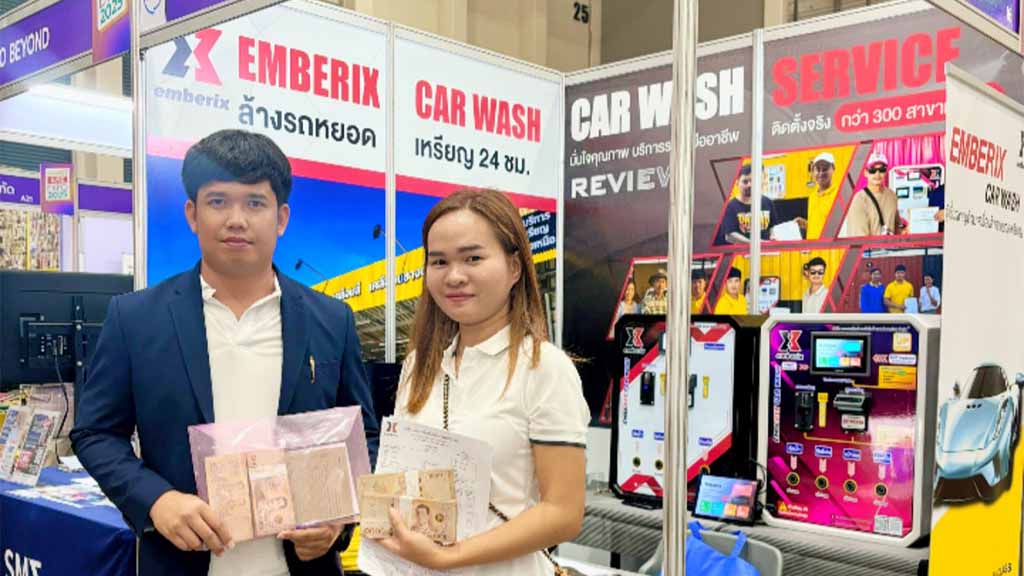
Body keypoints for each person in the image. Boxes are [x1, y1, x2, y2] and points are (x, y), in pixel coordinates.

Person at [70, 130, 379, 576]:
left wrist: (337, 522)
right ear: (192, 214)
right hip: (180, 562)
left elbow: (363, 435)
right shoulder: (135, 318)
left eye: (255, 203)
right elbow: (95, 433)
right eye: (218, 201)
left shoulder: (331, 320)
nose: (237, 220)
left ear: (281, 218)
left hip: (303, 567)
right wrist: (156, 500)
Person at [375, 190, 589, 574]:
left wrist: (450, 556)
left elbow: (563, 513)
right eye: (439, 261)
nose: (454, 276)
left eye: (473, 258)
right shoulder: (417, 367)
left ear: (514, 267)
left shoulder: (545, 369)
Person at [714, 165, 798, 245]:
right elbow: (729, 236)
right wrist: (755, 244)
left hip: (766, 251)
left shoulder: (768, 202)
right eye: (745, 181)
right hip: (742, 253)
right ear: (737, 183)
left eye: (752, 181)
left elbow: (773, 227)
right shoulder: (730, 206)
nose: (749, 185)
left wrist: (774, 235)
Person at [842, 152, 902, 238]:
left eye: (882, 170)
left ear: (886, 172)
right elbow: (858, 238)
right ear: (865, 173)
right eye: (872, 170)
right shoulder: (859, 200)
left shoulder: (892, 196)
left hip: (891, 246)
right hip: (870, 247)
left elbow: (897, 226)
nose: (877, 174)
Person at [806, 152, 839, 239]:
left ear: (833, 168)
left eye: (825, 169)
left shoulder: (839, 195)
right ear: (813, 172)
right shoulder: (812, 197)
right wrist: (806, 224)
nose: (821, 173)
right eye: (817, 169)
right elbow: (819, 224)